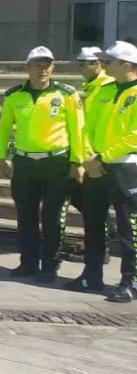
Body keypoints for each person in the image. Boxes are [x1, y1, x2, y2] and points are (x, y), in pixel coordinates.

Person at [0, 46, 84, 282]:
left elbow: (78, 130)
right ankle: (28, 262)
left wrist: (77, 160)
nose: (42, 69)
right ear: (27, 67)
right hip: (24, 162)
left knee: (53, 217)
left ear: (53, 68)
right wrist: (1, 157)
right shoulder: (14, 95)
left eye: (47, 65)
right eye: (37, 64)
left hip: (56, 162)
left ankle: (50, 266)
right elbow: (4, 128)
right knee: (26, 216)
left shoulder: (66, 94)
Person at [83, 41, 137, 302]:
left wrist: (103, 157)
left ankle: (130, 282)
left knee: (129, 228)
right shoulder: (104, 90)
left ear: (125, 64)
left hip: (126, 167)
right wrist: (88, 156)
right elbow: (88, 125)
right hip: (97, 165)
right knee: (94, 223)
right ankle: (91, 276)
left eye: (110, 61)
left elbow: (134, 135)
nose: (104, 64)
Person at [68, 47, 115, 293]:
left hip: (100, 158)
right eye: (80, 63)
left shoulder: (106, 87)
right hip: (86, 154)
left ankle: (102, 255)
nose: (81, 68)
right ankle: (95, 265)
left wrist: (90, 157)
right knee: (85, 205)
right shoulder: (89, 88)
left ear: (98, 64)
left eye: (85, 63)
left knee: (95, 213)